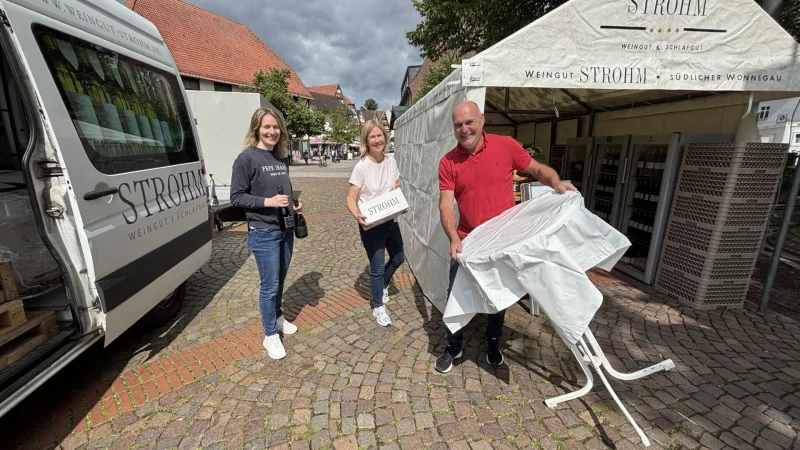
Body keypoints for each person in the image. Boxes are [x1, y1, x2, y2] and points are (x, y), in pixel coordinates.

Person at [435, 101, 576, 373]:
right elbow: (445, 204)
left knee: (497, 296)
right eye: (458, 125)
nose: (464, 129)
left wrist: (556, 182)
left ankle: (493, 342)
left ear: (482, 120)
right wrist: (453, 237)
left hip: (502, 240)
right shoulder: (448, 162)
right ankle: (453, 346)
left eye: (469, 122)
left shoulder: (507, 145)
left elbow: (536, 169)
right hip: (468, 241)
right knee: (454, 295)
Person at [230, 107, 302, 360]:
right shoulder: (246, 159)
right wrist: (268, 202)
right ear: (256, 129)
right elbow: (237, 196)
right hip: (263, 231)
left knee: (280, 280)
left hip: (285, 228)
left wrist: (293, 205)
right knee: (269, 285)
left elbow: (284, 190)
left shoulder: (280, 158)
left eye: (275, 127)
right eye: (266, 127)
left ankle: (278, 317)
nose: (272, 131)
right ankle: (270, 334)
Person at [346, 119, 406, 327]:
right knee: (377, 268)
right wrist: (357, 215)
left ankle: (383, 284)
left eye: (379, 135)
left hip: (390, 219)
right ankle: (378, 305)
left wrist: (400, 202)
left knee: (399, 257)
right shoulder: (361, 167)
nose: (377, 140)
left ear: (385, 137)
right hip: (371, 225)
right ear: (366, 140)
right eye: (372, 136)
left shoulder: (391, 162)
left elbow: (395, 186)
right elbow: (350, 197)